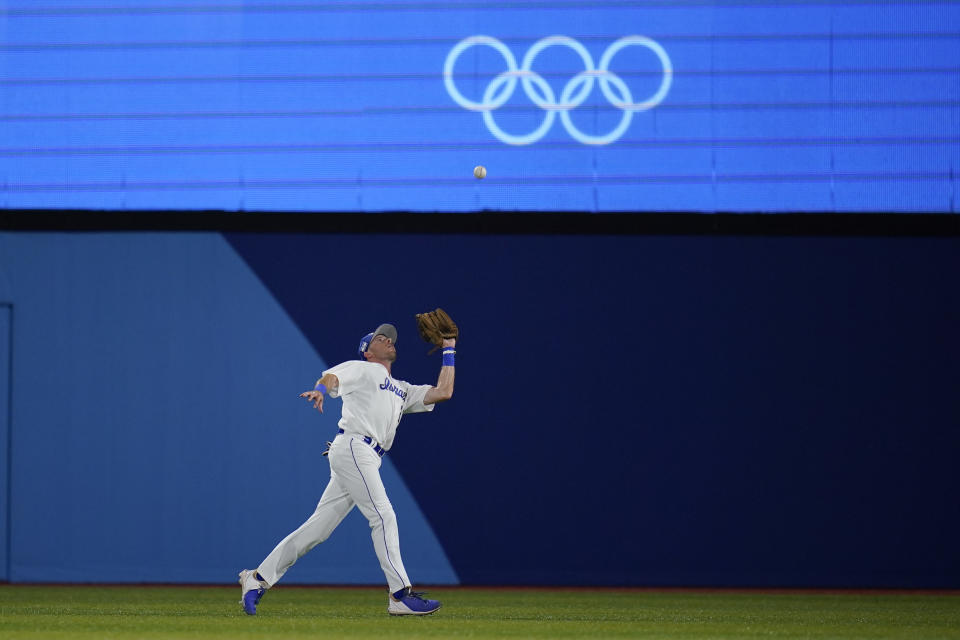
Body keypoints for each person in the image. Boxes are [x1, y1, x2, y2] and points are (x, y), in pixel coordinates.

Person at [238, 322, 456, 616]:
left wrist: (449, 348)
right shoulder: (364, 369)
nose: (389, 340)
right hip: (355, 447)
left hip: (361, 454)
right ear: (367, 350)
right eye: (381, 338)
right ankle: (399, 594)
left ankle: (257, 579)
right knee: (383, 515)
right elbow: (331, 376)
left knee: (318, 529)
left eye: (391, 338)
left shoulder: (402, 390)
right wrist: (319, 390)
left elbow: (444, 391)